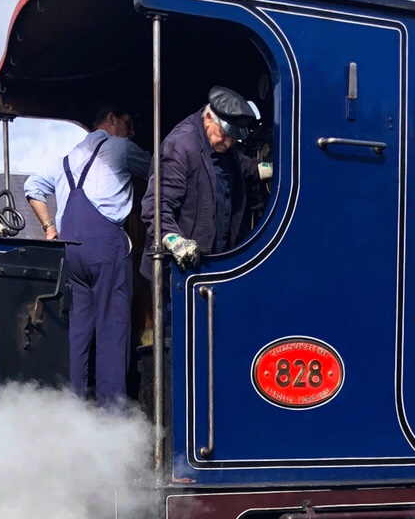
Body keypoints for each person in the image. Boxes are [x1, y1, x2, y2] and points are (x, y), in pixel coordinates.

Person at [24, 105, 151, 406]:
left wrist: (49, 228)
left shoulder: (63, 161)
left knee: (78, 330)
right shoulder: (120, 148)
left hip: (71, 251)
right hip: (105, 247)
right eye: (128, 122)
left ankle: (74, 406)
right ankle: (112, 412)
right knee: (113, 326)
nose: (131, 131)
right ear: (111, 120)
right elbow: (159, 169)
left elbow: (32, 187)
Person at [141, 86, 270, 277]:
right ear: (208, 119)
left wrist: (272, 168)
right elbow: (156, 206)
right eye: (225, 135)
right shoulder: (179, 147)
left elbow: (245, 166)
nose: (229, 143)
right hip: (181, 267)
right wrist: (174, 240)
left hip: (216, 256)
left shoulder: (223, 144)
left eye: (234, 138)